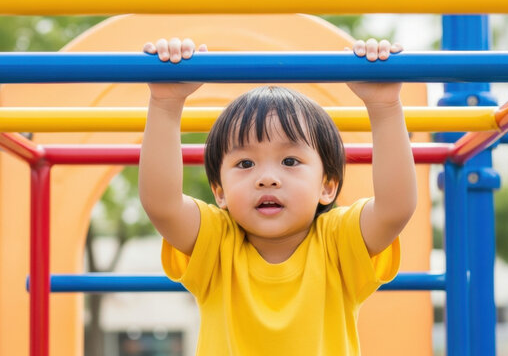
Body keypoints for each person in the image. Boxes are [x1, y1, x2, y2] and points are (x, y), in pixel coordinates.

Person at [139, 37, 417, 355]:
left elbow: (395, 209)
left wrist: (384, 107)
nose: (267, 179)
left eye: (290, 162)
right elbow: (162, 205)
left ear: (327, 186)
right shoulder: (216, 245)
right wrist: (165, 104)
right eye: (245, 163)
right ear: (220, 192)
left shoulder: (339, 243)